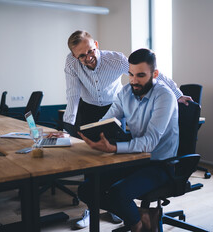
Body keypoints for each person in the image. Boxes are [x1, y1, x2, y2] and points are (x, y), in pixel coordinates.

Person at [63, 30, 189, 229]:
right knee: (87, 189)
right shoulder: (125, 92)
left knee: (117, 193)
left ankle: (138, 224)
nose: (133, 81)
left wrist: (113, 148)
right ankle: (141, 221)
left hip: (161, 164)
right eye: (130, 74)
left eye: (140, 75)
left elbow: (149, 143)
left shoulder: (164, 96)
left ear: (154, 74)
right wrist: (91, 134)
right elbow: (106, 120)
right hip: (137, 160)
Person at [63, 30, 191, 128]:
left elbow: (150, 73)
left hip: (114, 108)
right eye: (82, 56)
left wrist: (177, 94)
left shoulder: (115, 60)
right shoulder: (71, 63)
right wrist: (66, 128)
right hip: (87, 109)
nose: (89, 57)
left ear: (96, 44)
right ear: (74, 56)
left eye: (91, 51)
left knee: (115, 149)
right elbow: (73, 95)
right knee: (88, 150)